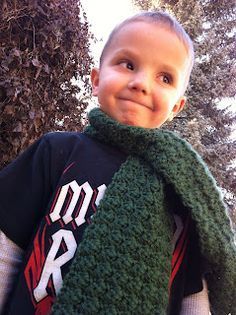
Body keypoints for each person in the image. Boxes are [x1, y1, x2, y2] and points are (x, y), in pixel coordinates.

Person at [0, 11, 235, 315]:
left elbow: (191, 292)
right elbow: (8, 247)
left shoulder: (181, 190)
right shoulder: (58, 150)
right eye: (128, 64)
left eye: (165, 78)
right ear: (96, 80)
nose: (141, 83)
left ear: (176, 107)